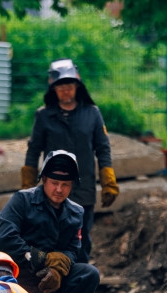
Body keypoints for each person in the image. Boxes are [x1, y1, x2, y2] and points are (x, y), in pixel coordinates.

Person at [0, 150, 100, 293]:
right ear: (44, 179)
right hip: (18, 275)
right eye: (54, 183)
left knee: (88, 274)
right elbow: (4, 237)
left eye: (65, 185)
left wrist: (58, 269)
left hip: (48, 278)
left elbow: (73, 249)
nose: (59, 189)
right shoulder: (22, 201)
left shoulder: (76, 213)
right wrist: (39, 258)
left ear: (72, 185)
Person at [21, 58, 118, 263]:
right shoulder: (44, 116)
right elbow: (34, 150)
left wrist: (108, 180)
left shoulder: (92, 114)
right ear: (53, 89)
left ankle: (78, 280)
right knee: (48, 236)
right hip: (51, 188)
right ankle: (50, 280)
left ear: (77, 87)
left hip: (83, 187)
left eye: (70, 86)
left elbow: (103, 148)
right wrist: (27, 185)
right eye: (61, 87)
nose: (66, 91)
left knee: (80, 238)